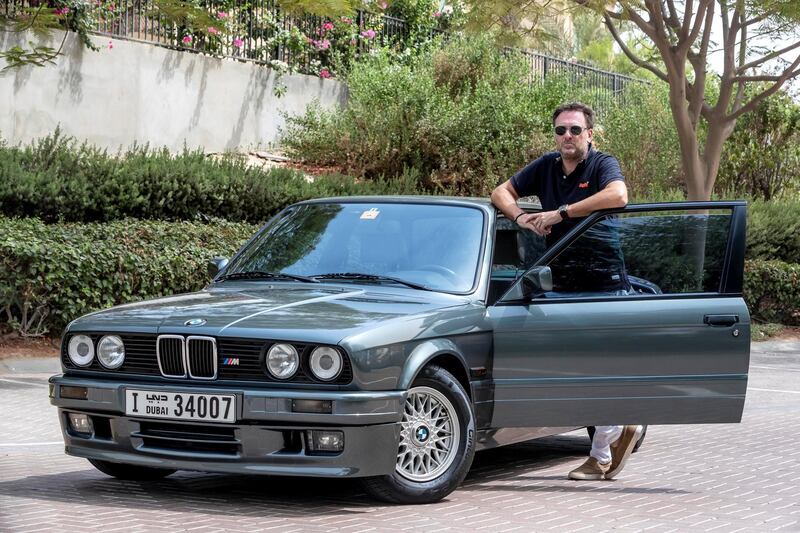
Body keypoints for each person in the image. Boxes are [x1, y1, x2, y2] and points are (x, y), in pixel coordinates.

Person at [490, 101, 643, 480]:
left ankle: (604, 449)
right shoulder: (545, 166)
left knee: (598, 366)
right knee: (578, 367)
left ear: (590, 134)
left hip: (603, 280)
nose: (568, 137)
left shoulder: (602, 163)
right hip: (561, 280)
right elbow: (500, 192)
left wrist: (561, 212)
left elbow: (618, 196)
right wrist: (522, 217)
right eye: (561, 131)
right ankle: (612, 439)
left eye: (575, 130)